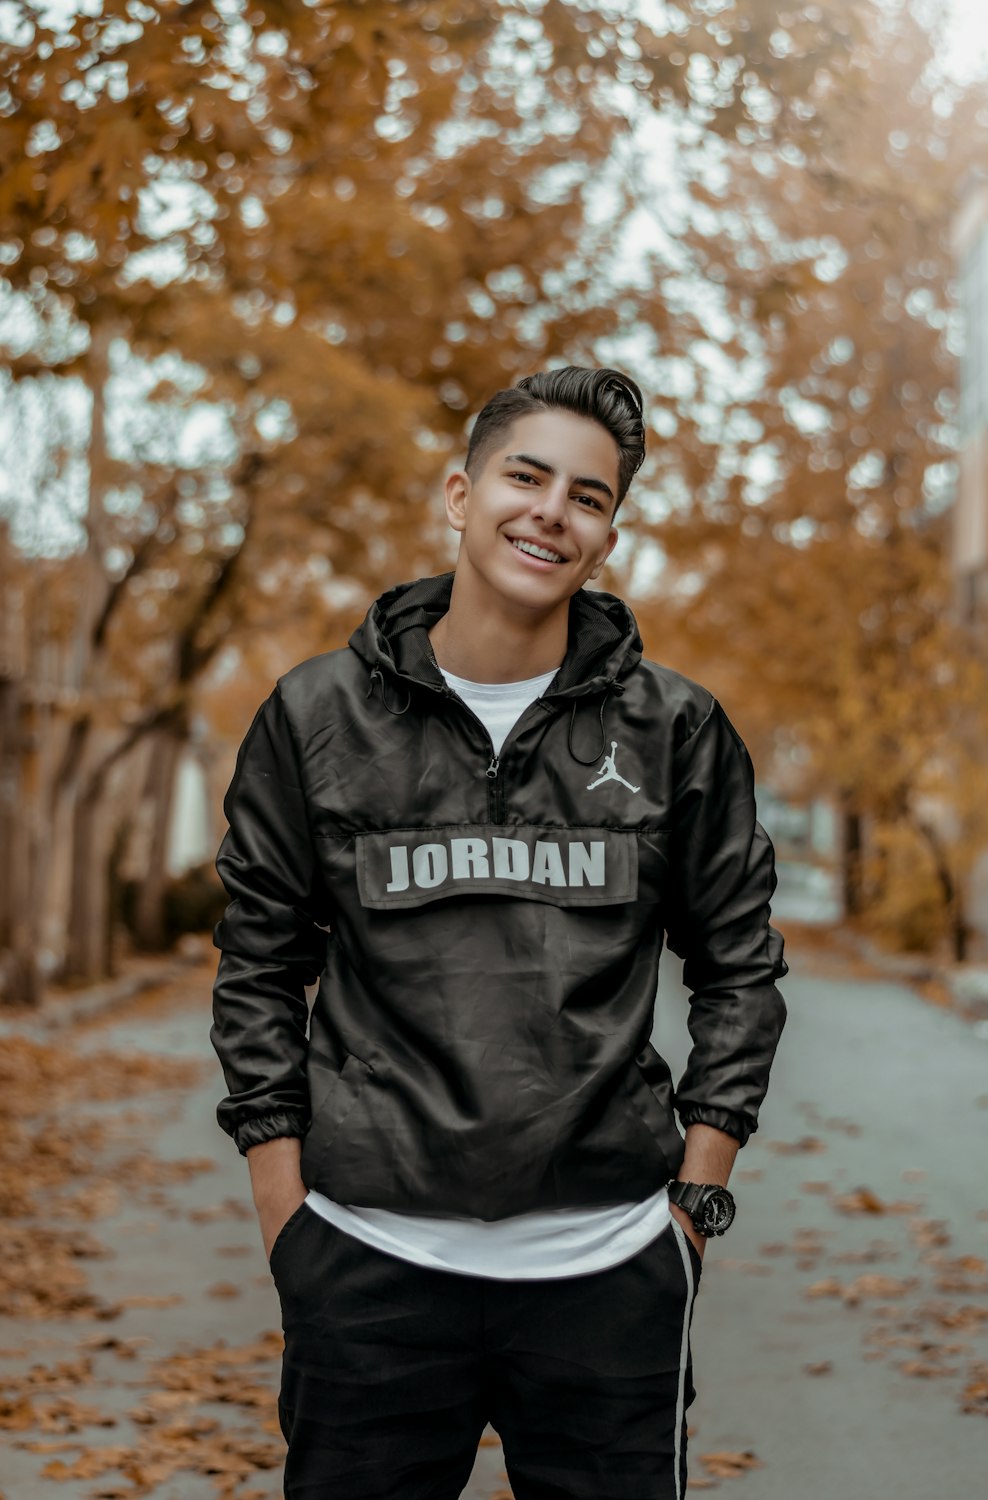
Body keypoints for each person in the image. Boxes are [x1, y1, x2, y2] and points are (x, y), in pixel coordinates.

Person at [210, 365, 789, 1500]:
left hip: (609, 1272)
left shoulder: (675, 730)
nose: (551, 512)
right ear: (460, 494)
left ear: (606, 536)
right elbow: (260, 968)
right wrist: (290, 1222)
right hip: (368, 1266)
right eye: (526, 476)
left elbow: (740, 970)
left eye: (588, 497)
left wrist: (692, 1213)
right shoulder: (315, 717)